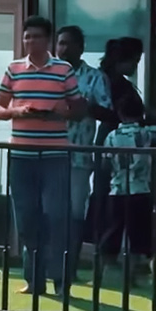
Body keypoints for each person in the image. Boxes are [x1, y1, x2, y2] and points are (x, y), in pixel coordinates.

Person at [0, 16, 84, 296]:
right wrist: (17, 112)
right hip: (21, 155)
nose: (30, 41)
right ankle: (34, 281)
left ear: (48, 40)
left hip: (56, 155)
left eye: (36, 37)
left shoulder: (63, 70)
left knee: (57, 217)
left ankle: (60, 282)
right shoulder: (13, 69)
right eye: (27, 37)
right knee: (26, 219)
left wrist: (61, 112)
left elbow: (80, 110)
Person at [55, 26, 112, 267]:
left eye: (68, 44)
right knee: (50, 212)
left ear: (80, 48)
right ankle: (50, 264)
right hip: (48, 152)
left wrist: (85, 106)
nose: (63, 49)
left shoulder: (95, 77)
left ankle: (71, 264)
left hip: (79, 155)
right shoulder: (49, 75)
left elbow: (109, 113)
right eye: (60, 43)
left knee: (76, 213)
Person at [98, 92, 156, 273]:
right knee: (139, 232)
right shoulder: (146, 133)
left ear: (120, 114)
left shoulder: (112, 136)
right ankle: (136, 270)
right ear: (140, 113)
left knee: (114, 230)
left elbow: (106, 164)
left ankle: (107, 268)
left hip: (117, 190)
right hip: (140, 190)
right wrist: (152, 113)